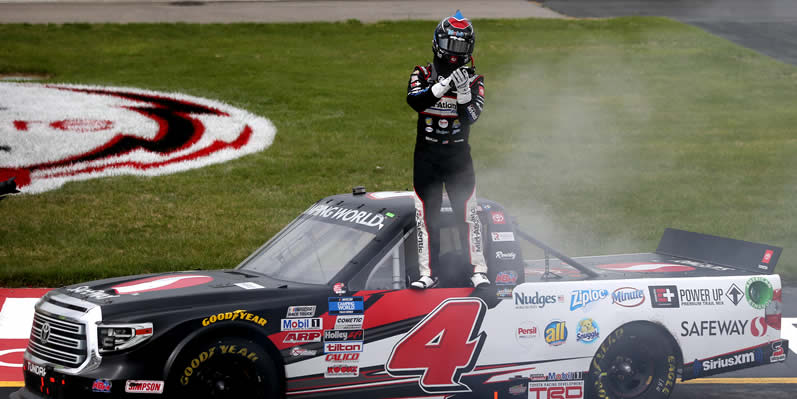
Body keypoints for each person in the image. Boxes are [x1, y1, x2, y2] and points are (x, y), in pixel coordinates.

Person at [406, 10, 488, 289]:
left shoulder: (476, 82)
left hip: (458, 159)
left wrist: (464, 94)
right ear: (438, 42)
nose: (454, 54)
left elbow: (471, 117)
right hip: (426, 156)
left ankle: (477, 270)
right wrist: (442, 86)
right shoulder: (422, 73)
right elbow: (416, 101)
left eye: (461, 47)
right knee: (426, 215)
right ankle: (428, 273)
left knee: (467, 213)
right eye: (450, 45)